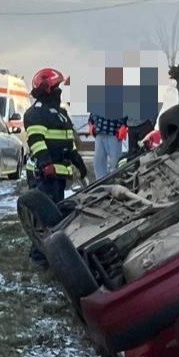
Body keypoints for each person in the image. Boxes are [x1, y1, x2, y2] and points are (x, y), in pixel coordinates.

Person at [26, 68, 86, 263]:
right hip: (44, 175)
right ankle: (39, 258)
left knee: (55, 216)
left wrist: (78, 161)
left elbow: (68, 142)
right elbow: (36, 141)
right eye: (57, 86)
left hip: (58, 174)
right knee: (45, 218)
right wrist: (45, 164)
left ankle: (45, 254)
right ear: (48, 89)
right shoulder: (36, 113)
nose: (60, 90)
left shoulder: (59, 113)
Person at [88, 110, 125, 180]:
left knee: (115, 163)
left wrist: (124, 125)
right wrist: (90, 122)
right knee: (98, 163)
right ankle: (100, 186)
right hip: (99, 133)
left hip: (114, 132)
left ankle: (115, 184)